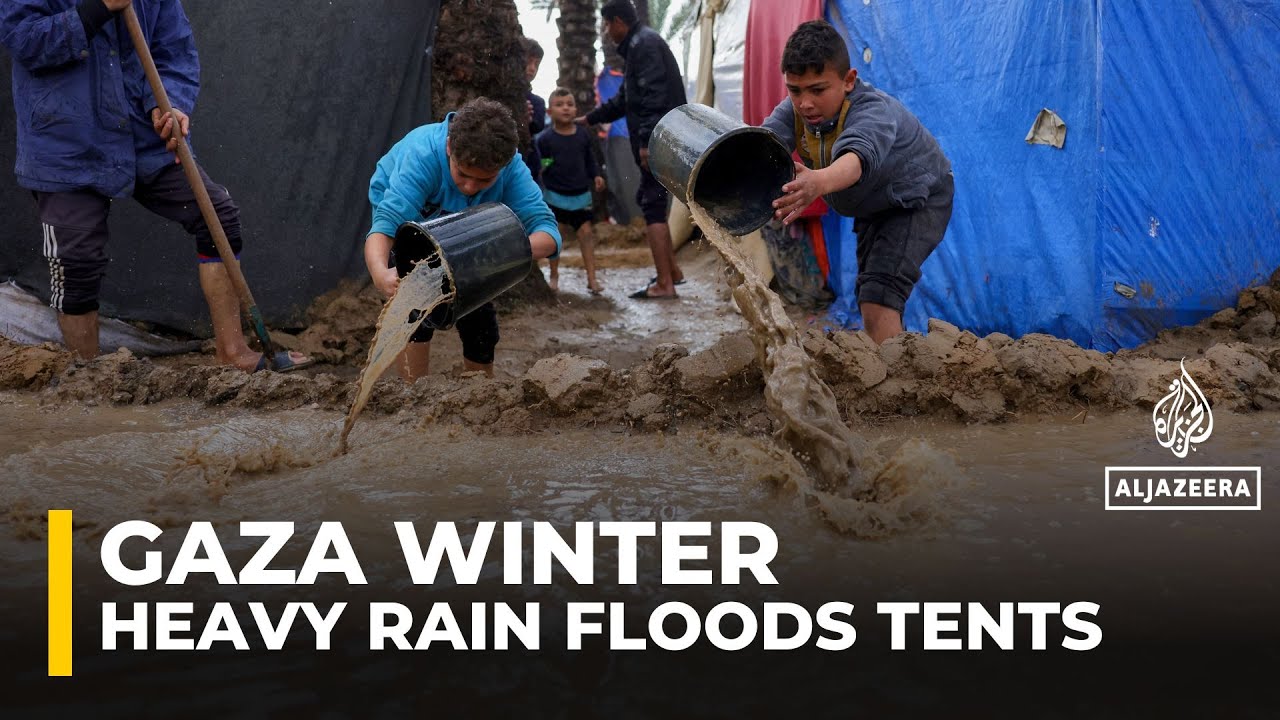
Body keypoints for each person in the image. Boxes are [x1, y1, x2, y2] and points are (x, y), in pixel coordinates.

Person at [0, 0, 311, 371]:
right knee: (76, 259)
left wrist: (167, 105)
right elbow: (24, 41)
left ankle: (234, 353)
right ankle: (87, 376)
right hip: (66, 139)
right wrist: (97, 8)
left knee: (216, 216)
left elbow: (174, 51)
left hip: (142, 135)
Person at [762, 20, 953, 344]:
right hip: (874, 205)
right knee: (871, 294)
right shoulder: (794, 111)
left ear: (848, 81)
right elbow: (761, 148)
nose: (805, 102)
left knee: (879, 300)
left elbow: (855, 161)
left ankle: (898, 385)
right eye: (794, 90)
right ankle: (895, 364)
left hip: (917, 199)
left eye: (818, 90)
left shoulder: (871, 110)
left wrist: (816, 183)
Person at [364, 97, 561, 380]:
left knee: (480, 320)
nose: (470, 187)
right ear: (449, 148)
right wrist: (380, 273)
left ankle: (479, 394)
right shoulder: (423, 156)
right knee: (412, 310)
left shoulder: (512, 167)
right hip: (411, 225)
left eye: (484, 181)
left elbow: (548, 233)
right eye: (463, 175)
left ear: (503, 167)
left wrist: (497, 252)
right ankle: (412, 395)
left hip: (469, 234)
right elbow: (384, 227)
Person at [581, 0, 687, 300]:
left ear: (617, 22)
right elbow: (626, 99)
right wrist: (591, 117)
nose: (604, 32)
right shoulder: (641, 44)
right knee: (651, 199)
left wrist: (646, 143)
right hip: (661, 136)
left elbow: (653, 97)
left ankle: (664, 284)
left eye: (605, 25)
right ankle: (673, 272)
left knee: (651, 203)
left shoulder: (643, 45)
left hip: (659, 139)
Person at [536, 88, 605, 294]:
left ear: (575, 109)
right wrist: (542, 169)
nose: (565, 108)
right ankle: (554, 275)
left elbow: (590, 160)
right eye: (559, 104)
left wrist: (597, 175)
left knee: (586, 234)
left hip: (581, 196)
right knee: (555, 237)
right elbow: (544, 163)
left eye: (569, 104)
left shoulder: (583, 135)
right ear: (549, 112)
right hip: (555, 197)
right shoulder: (545, 139)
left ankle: (592, 278)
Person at [594, 64, 642, 225]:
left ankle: (634, 222)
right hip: (617, 139)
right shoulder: (605, 81)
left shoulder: (614, 80)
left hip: (625, 137)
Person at [522, 38, 547, 184]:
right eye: (528, 61)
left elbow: (538, 126)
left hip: (530, 164)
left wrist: (529, 121)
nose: (532, 68)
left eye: (536, 64)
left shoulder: (537, 102)